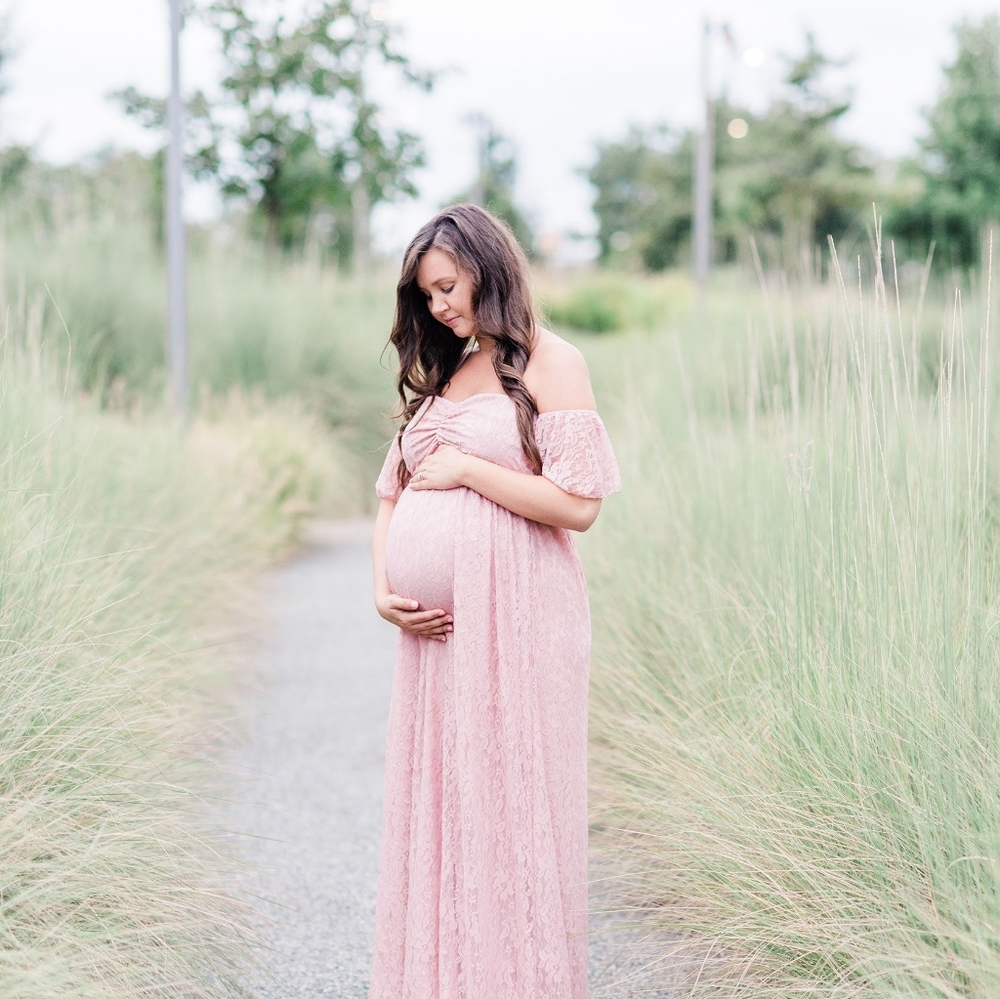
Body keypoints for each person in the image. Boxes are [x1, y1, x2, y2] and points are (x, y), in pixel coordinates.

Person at [369, 204, 621, 999]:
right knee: (446, 808)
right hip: (436, 636)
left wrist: (472, 473)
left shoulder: (552, 361)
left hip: (521, 618)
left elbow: (578, 503)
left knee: (511, 812)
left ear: (488, 265)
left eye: (448, 286)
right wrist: (383, 589)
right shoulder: (448, 369)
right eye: (428, 296)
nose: (440, 306)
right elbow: (389, 493)